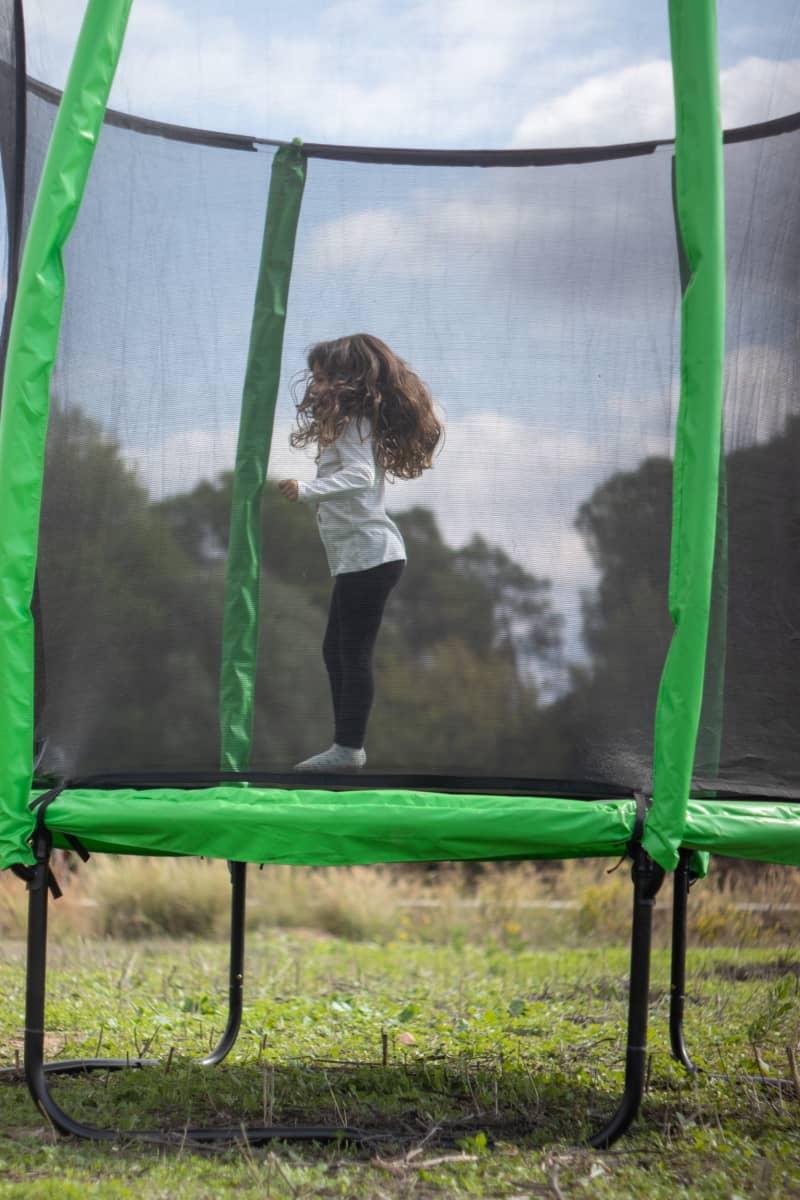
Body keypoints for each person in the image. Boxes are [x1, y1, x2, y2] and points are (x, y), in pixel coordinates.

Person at [278, 333, 442, 772]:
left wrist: (308, 489)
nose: (313, 386)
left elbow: (359, 475)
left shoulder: (353, 424)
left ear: (342, 380)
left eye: (320, 377)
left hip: (372, 555)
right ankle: (345, 747)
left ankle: (348, 749)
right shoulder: (349, 424)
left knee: (351, 651)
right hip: (361, 557)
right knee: (335, 649)